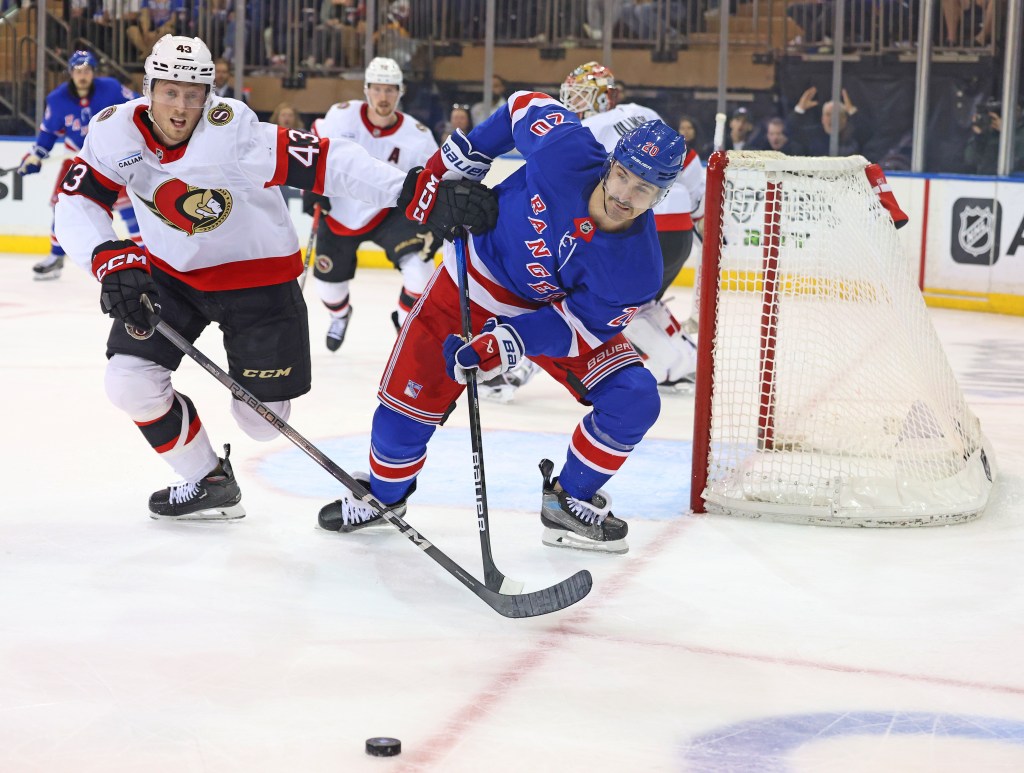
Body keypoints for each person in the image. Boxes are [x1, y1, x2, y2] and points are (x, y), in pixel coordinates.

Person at [52, 35, 497, 521]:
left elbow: (328, 160)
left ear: (210, 95)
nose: (181, 107)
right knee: (128, 381)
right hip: (172, 275)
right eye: (170, 92)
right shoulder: (115, 131)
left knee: (261, 424)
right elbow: (77, 200)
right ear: (149, 87)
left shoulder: (234, 133)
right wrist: (108, 256)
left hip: (259, 282)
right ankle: (208, 480)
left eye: (193, 94)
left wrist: (411, 190)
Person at [317, 93, 686, 555]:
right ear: (611, 162)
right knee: (399, 423)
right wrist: (458, 166)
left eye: (644, 190)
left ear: (661, 194)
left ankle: (567, 501)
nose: (623, 195)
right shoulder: (567, 152)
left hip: (542, 315)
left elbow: (577, 329)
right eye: (622, 175)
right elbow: (521, 107)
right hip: (467, 282)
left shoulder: (638, 270)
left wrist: (510, 343)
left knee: (633, 398)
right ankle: (386, 499)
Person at [482, 61, 702, 401]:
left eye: (583, 96)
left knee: (566, 296)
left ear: (604, 98)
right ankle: (681, 364)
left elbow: (550, 184)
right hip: (678, 231)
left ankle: (516, 367)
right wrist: (702, 218)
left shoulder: (583, 130)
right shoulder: (643, 114)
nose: (575, 103)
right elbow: (686, 167)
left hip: (633, 226)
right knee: (639, 304)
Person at [301, 57, 439, 352]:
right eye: (377, 89)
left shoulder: (418, 136)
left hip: (390, 212)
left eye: (390, 90)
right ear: (366, 90)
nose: (383, 97)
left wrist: (435, 219)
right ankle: (340, 316)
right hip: (340, 210)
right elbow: (311, 146)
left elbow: (433, 179)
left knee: (422, 272)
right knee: (328, 287)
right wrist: (310, 185)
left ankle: (406, 325)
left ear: (400, 92)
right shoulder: (341, 117)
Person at [17, 50, 142, 281]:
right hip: (78, 160)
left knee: (129, 209)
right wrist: (34, 156)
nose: (82, 75)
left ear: (93, 72)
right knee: (62, 206)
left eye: (86, 71)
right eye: (77, 71)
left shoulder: (112, 88)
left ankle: (147, 259)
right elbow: (47, 134)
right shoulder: (57, 99)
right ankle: (56, 257)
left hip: (110, 157)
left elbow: (139, 105)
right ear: (71, 73)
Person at [785, 87, 870, 157]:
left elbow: (866, 134)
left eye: (836, 114)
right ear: (822, 119)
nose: (832, 118)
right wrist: (799, 110)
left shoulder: (852, 137)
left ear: (844, 119)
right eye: (828, 114)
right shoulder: (812, 135)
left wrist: (852, 112)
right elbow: (790, 131)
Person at [963, 98, 1024, 175]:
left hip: (1014, 181)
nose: (1009, 112)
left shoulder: (1021, 132)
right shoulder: (989, 129)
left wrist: (1006, 132)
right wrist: (979, 136)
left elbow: (1020, 157)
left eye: (1015, 109)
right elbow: (970, 159)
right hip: (986, 180)